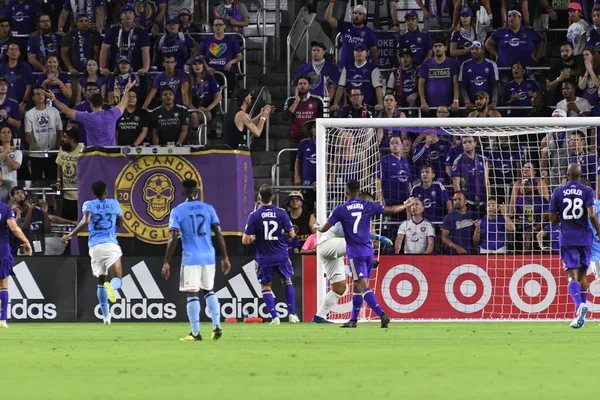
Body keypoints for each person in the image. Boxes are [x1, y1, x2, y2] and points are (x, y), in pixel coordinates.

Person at [315, 179, 414, 328]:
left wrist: (318, 227)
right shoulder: (367, 205)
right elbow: (392, 210)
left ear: (346, 193)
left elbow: (325, 229)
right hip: (368, 252)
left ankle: (381, 314)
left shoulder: (340, 209)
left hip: (355, 253)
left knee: (362, 287)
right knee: (356, 286)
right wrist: (406, 205)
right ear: (359, 193)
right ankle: (353, 320)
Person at [162, 179, 231, 341]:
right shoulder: (208, 208)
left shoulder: (178, 211)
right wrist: (225, 257)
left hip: (191, 257)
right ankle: (217, 326)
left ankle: (195, 332)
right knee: (209, 290)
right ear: (197, 192)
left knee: (192, 293)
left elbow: (173, 237)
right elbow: (219, 233)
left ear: (182, 193)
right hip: (209, 255)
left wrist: (166, 261)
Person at [311, 191, 394, 323]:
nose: (372, 205)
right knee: (357, 245)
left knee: (340, 287)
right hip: (327, 245)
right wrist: (377, 237)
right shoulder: (348, 212)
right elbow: (339, 230)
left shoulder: (360, 217)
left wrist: (376, 237)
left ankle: (319, 317)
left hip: (334, 252)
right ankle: (365, 264)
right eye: (371, 202)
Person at [61, 180, 125, 325]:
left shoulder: (88, 204)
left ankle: (106, 316)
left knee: (101, 282)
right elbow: (121, 224)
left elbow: (86, 220)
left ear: (94, 193)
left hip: (95, 247)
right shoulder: (114, 203)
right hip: (110, 244)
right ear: (106, 191)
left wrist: (71, 235)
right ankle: (112, 287)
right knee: (118, 279)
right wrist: (116, 218)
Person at [549, 164, 600, 328]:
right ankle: (580, 317)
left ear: (567, 175)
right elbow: (592, 214)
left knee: (571, 275)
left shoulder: (558, 192)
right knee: (582, 275)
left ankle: (579, 306)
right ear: (580, 175)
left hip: (568, 238)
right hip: (585, 238)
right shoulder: (587, 191)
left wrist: (561, 219)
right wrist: (599, 231)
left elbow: (552, 218)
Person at [242, 184, 300, 325]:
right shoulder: (281, 213)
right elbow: (292, 235)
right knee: (287, 280)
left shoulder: (254, 216)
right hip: (281, 254)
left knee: (266, 287)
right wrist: (280, 232)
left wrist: (254, 237)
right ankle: (292, 315)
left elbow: (245, 241)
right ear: (273, 197)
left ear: (259, 197)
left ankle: (275, 317)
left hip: (264, 257)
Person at [46, 80, 136, 147]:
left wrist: (54, 99)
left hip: (93, 155)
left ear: (91, 104)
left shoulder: (86, 117)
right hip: (110, 154)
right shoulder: (112, 114)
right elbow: (123, 104)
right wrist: (127, 90)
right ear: (102, 103)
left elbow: (66, 110)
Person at [0, 201, 32, 328]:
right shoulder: (4, 209)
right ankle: (2, 320)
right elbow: (14, 228)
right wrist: (26, 241)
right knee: (3, 285)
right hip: (2, 249)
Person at [284, 76, 323, 175]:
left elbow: (324, 119)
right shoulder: (290, 101)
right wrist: (296, 101)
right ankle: (295, 190)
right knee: (294, 171)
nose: (302, 86)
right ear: (296, 87)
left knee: (313, 168)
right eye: (300, 84)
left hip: (313, 142)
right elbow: (284, 117)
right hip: (295, 141)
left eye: (304, 84)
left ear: (309, 86)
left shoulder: (317, 100)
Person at [25, 86, 63, 187]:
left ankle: (50, 203)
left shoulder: (54, 111)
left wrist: (58, 143)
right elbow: (28, 134)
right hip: (36, 154)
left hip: (52, 152)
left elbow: (60, 130)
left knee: (52, 180)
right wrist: (32, 145)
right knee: (35, 181)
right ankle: (34, 202)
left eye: (42, 93)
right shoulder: (29, 114)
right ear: (33, 97)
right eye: (37, 94)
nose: (40, 96)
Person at [324, 3, 377, 71]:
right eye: (355, 13)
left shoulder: (369, 32)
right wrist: (332, 2)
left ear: (364, 17)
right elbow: (327, 18)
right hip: (344, 69)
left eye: (360, 14)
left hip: (361, 69)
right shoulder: (345, 26)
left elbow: (374, 51)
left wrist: (374, 68)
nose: (356, 16)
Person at [100, 5, 151, 75]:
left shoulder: (141, 32)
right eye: (125, 13)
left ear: (134, 16)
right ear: (121, 16)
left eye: (130, 13)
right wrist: (103, 67)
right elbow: (104, 49)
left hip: (135, 71)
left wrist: (145, 68)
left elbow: (145, 51)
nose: (128, 15)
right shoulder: (112, 30)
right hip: (115, 70)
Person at [198, 17, 243, 92]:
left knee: (227, 96)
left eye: (220, 25)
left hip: (227, 72)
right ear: (213, 27)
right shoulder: (206, 40)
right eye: (216, 25)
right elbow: (201, 57)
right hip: (211, 72)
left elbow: (239, 57)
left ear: (224, 26)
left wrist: (230, 62)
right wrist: (206, 67)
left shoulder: (231, 39)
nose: (218, 27)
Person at [334, 42, 383, 110]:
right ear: (353, 53)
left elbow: (378, 88)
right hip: (351, 108)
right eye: (357, 51)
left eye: (362, 50)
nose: (359, 53)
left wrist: (380, 104)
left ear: (366, 53)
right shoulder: (347, 68)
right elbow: (340, 87)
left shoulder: (373, 68)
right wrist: (335, 104)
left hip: (368, 107)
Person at [418, 38, 460, 115]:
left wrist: (456, 100)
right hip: (430, 106)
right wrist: (422, 101)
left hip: (448, 106)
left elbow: (455, 83)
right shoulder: (426, 63)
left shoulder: (452, 62)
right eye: (435, 46)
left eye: (440, 46)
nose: (438, 48)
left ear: (445, 48)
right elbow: (421, 84)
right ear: (432, 49)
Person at [452, 136, 490, 218]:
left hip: (482, 201)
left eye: (469, 141)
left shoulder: (483, 160)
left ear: (475, 143)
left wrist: (489, 199)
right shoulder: (458, 161)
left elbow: (487, 181)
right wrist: (461, 202)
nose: (467, 144)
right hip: (467, 202)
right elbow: (456, 184)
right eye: (464, 142)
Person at [459, 41, 500, 111]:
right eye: (472, 49)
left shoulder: (491, 64)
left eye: (476, 49)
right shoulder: (465, 65)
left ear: (482, 50)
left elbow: (494, 85)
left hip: (487, 104)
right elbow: (463, 86)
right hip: (471, 104)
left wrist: (494, 102)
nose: (474, 51)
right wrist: (467, 102)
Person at [54, 128, 83, 224]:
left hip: (80, 196)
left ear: (72, 139)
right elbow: (59, 166)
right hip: (67, 195)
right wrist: (58, 181)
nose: (62, 139)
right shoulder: (62, 149)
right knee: (66, 222)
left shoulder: (83, 149)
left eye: (65, 137)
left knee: (79, 223)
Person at [11, 186, 51, 255]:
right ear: (12, 198)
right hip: (23, 249)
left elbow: (48, 230)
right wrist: (30, 209)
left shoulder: (35, 211)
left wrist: (45, 213)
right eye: (17, 193)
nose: (20, 195)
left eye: (22, 193)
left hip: (39, 248)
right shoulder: (13, 213)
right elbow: (24, 228)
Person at [376, 136, 412, 211]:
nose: (394, 145)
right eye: (392, 143)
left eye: (396, 143)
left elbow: (409, 182)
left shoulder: (405, 162)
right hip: (389, 201)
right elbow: (378, 179)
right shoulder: (385, 160)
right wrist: (380, 198)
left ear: (402, 145)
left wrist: (410, 196)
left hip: (404, 201)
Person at [0, 42, 34, 113]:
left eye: (16, 49)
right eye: (11, 49)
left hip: (21, 104)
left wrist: (24, 102)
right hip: (4, 105)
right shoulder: (1, 67)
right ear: (7, 53)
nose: (14, 51)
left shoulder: (25, 67)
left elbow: (29, 86)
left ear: (19, 53)